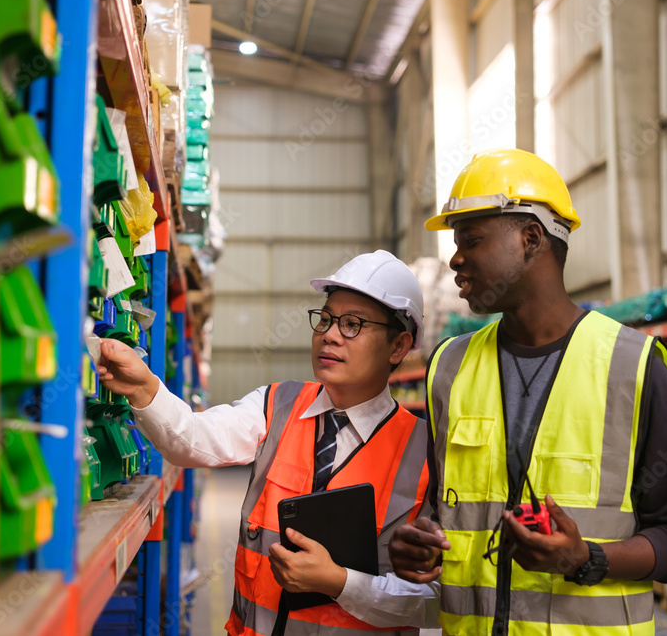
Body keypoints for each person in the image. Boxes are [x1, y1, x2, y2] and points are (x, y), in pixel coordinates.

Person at [388, 149, 667, 636]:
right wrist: (417, 543)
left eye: (471, 239)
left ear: (530, 239)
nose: (454, 258)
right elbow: (435, 510)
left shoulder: (632, 367)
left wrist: (586, 558)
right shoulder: (448, 369)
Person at [97, 250, 440, 636]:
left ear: (398, 347)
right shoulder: (277, 404)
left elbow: (438, 600)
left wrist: (340, 583)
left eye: (352, 324)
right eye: (325, 319)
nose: (329, 334)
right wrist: (145, 390)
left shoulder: (426, 454)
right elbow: (191, 440)